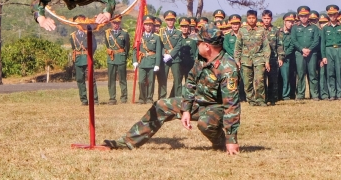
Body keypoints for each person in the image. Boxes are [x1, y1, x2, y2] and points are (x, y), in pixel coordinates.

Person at [103, 26, 241, 155]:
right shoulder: (202, 59)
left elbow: (231, 105)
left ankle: (221, 142)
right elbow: (191, 82)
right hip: (198, 103)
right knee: (161, 106)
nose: (196, 45)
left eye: (198, 42)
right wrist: (186, 109)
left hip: (217, 107)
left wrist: (231, 139)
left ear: (207, 46)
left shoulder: (228, 67)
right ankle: (127, 142)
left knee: (204, 123)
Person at [234, 10, 271, 106]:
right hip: (246, 60)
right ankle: (251, 100)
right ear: (247, 18)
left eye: (253, 18)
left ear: (256, 18)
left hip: (259, 59)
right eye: (249, 18)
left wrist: (267, 61)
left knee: (260, 80)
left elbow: (266, 46)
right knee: (247, 82)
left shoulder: (261, 30)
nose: (251, 20)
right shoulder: (242, 31)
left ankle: (260, 100)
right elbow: (238, 47)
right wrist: (237, 60)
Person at [291, 6, 321, 100]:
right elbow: (294, 40)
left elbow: (316, 41)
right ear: (298, 17)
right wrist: (302, 49)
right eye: (301, 16)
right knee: (300, 74)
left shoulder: (314, 28)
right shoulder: (295, 28)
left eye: (306, 16)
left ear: (308, 16)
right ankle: (300, 94)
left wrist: (309, 49)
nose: (304, 18)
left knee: (312, 74)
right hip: (299, 54)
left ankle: (314, 94)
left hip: (312, 54)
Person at [320, 5, 341, 100]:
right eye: (330, 14)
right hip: (329, 50)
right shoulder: (325, 28)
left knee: (339, 72)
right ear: (328, 15)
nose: (332, 16)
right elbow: (323, 43)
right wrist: (324, 56)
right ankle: (332, 93)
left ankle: (340, 93)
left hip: (339, 50)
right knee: (330, 72)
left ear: (337, 15)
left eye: (334, 14)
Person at [69, 15, 99, 105]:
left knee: (91, 80)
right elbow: (74, 48)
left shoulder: (89, 34)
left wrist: (89, 55)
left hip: (87, 59)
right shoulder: (73, 36)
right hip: (78, 60)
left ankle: (95, 99)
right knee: (80, 80)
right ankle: (84, 100)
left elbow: (94, 46)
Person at [133, 16, 162, 104]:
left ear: (152, 26)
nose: (148, 27)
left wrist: (157, 64)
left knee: (151, 81)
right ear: (143, 26)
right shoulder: (139, 36)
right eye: (146, 25)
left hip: (152, 62)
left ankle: (149, 98)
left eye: (150, 25)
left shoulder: (156, 37)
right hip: (142, 62)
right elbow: (135, 50)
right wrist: (134, 61)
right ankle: (142, 98)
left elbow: (158, 52)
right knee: (141, 81)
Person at [104, 16, 130, 105]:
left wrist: (123, 56)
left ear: (120, 23)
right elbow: (107, 45)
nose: (116, 24)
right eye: (114, 23)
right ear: (111, 23)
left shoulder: (124, 33)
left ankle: (124, 97)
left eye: (117, 23)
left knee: (122, 79)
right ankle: (112, 98)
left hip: (121, 57)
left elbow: (127, 47)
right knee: (111, 79)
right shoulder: (107, 33)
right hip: (111, 58)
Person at [158, 11, 183, 99]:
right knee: (163, 78)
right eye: (168, 20)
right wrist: (163, 54)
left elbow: (179, 45)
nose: (170, 22)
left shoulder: (179, 33)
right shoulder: (161, 32)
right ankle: (162, 97)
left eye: (172, 20)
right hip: (164, 58)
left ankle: (178, 97)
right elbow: (159, 45)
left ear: (174, 21)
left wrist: (171, 55)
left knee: (177, 79)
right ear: (165, 21)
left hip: (175, 59)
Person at [262, 10, 284, 105]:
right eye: (265, 18)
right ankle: (264, 98)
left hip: (273, 58)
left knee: (273, 80)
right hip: (261, 59)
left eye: (268, 18)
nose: (266, 20)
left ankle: (272, 99)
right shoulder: (259, 30)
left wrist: (281, 57)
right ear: (262, 18)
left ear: (271, 19)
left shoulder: (276, 30)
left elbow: (280, 44)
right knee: (262, 80)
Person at [280, 12, 296, 100]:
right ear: (284, 22)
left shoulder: (292, 34)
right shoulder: (278, 32)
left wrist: (283, 55)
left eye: (292, 22)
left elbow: (292, 46)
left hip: (286, 58)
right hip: (277, 58)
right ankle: (277, 95)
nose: (290, 24)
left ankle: (286, 95)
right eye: (288, 22)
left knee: (286, 78)